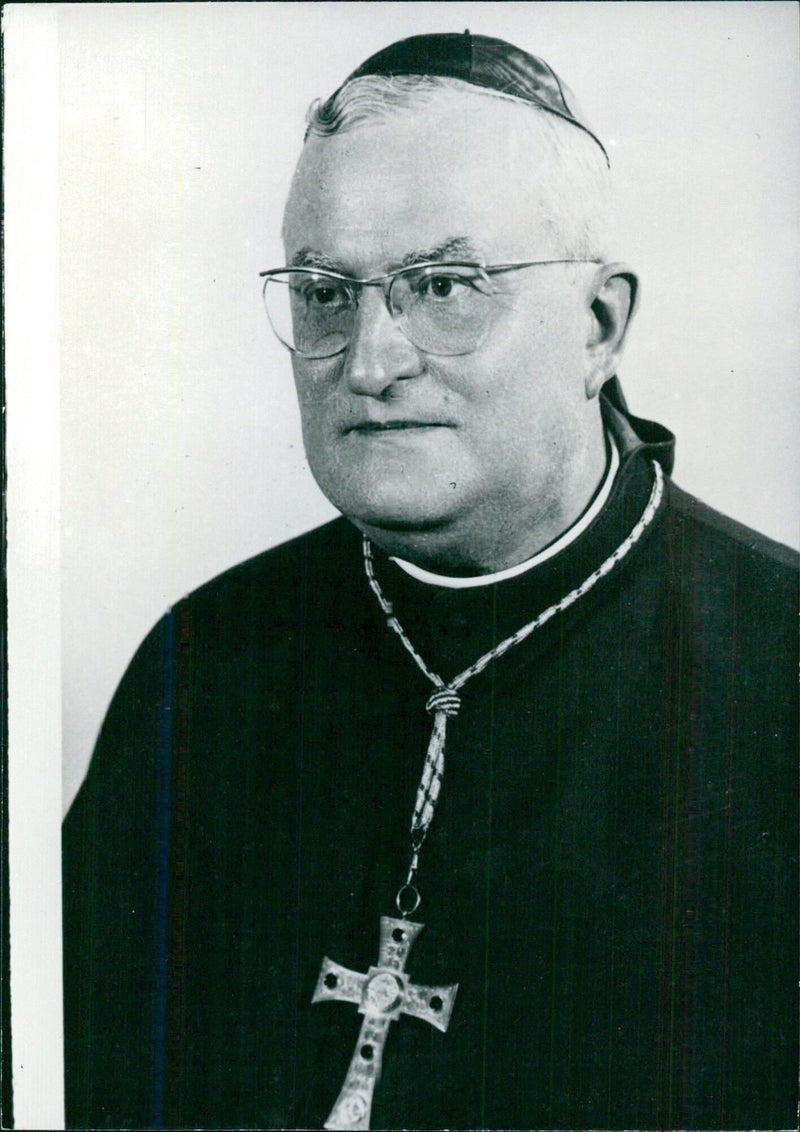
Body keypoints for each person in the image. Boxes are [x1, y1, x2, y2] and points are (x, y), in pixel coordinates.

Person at [62, 31, 798, 1131]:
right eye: (322, 293)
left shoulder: (778, 664)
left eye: (445, 286)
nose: (367, 361)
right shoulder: (202, 657)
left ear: (598, 323)